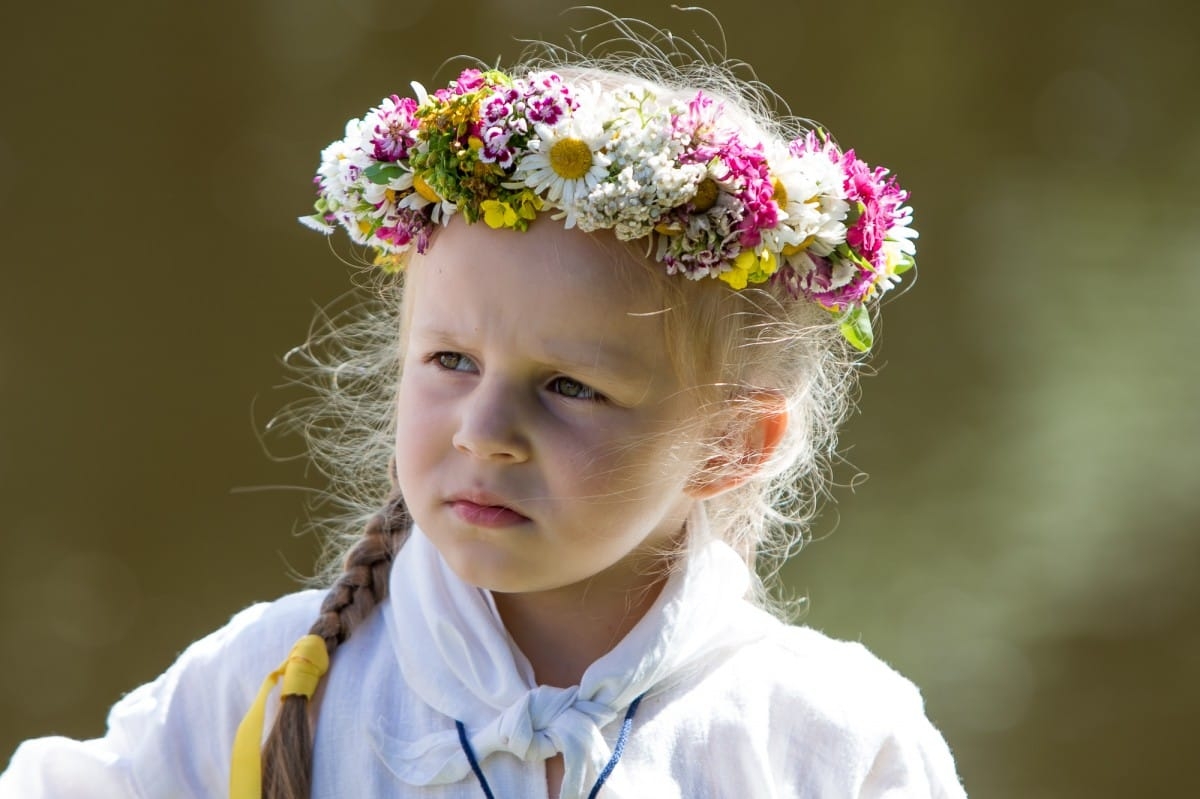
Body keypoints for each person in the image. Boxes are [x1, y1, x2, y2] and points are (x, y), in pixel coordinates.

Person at [0, 26, 965, 799]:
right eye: (452, 361)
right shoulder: (269, 685)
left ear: (731, 444)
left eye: (570, 386)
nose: (482, 429)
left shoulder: (828, 737)